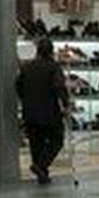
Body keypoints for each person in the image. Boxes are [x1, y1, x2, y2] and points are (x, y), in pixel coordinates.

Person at [16, 37, 70, 184]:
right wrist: (66, 104)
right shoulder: (54, 67)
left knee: (36, 142)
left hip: (30, 112)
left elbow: (18, 86)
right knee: (56, 140)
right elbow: (59, 87)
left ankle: (42, 173)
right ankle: (40, 166)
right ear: (51, 51)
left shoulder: (27, 68)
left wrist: (26, 100)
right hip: (49, 112)